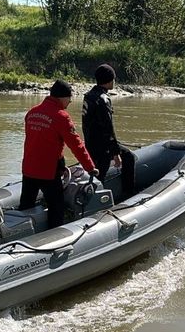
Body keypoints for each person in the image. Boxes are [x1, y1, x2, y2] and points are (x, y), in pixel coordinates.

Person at [19, 80, 98, 229]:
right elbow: (76, 145)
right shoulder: (62, 117)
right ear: (62, 97)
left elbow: (37, 141)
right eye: (69, 97)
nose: (70, 101)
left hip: (28, 169)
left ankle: (22, 235)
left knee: (26, 206)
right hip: (48, 172)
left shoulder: (32, 113)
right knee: (56, 206)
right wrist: (90, 167)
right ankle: (55, 238)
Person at [81, 63, 136, 197]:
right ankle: (127, 193)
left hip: (90, 142)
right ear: (109, 80)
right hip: (102, 147)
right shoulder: (103, 99)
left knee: (100, 171)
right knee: (128, 158)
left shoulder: (89, 95)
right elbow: (107, 128)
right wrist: (115, 152)